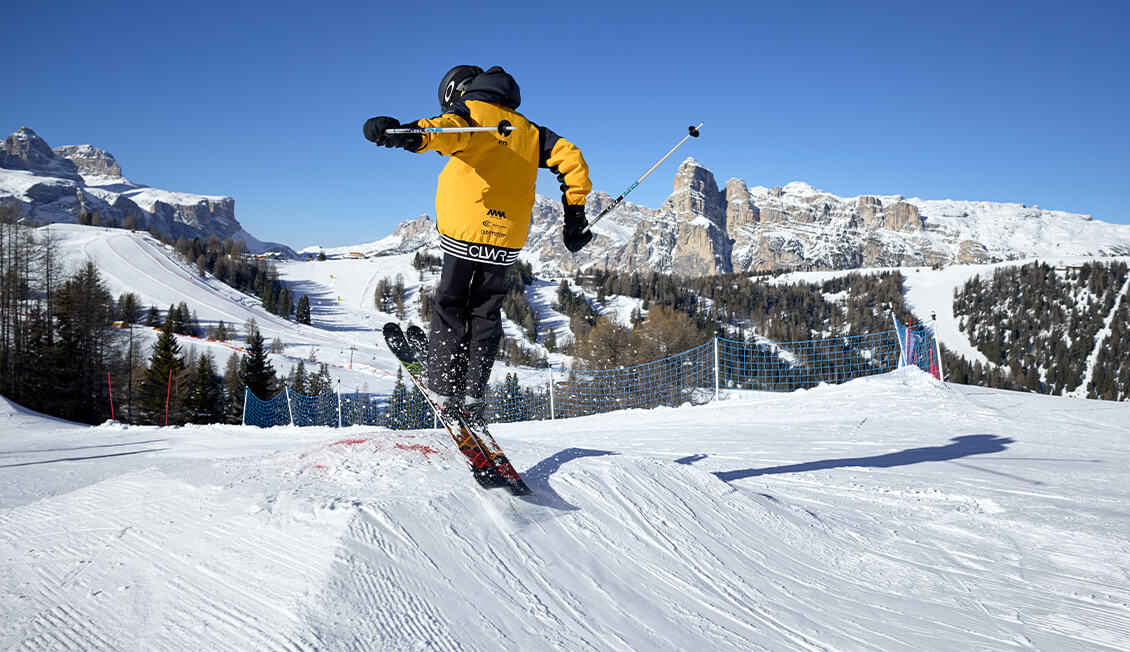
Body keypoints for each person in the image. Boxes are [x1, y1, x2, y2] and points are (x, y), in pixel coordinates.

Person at [364, 65, 593, 427]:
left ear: (456, 92)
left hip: (465, 230)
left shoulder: (470, 116)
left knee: (451, 305)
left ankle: (443, 386)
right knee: (486, 313)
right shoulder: (531, 132)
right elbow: (572, 159)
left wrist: (404, 133)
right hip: (507, 239)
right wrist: (574, 216)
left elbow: (443, 133)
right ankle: (472, 395)